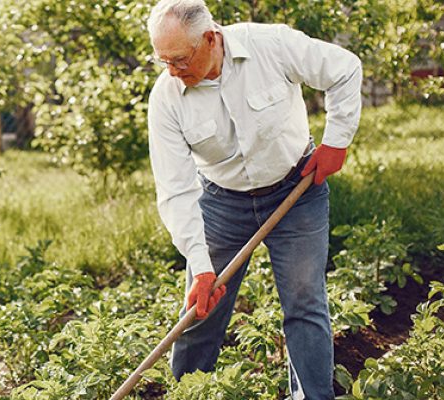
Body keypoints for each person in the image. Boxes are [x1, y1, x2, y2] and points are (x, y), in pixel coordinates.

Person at [145, 0, 362, 399]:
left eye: (179, 60)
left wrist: (336, 141)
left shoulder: (270, 45)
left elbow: (345, 68)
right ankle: (187, 394)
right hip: (221, 203)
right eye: (163, 62)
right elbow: (175, 188)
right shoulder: (166, 98)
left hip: (296, 191)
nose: (172, 71)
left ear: (210, 39)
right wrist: (200, 264)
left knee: (304, 303)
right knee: (202, 310)